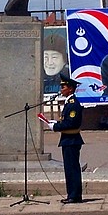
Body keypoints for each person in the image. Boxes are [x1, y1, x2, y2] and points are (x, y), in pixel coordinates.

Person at [47, 75, 85, 204]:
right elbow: (67, 121)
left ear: (70, 89)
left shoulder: (73, 103)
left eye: (63, 87)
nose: (61, 89)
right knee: (69, 169)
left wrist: (56, 127)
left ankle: (74, 196)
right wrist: (56, 123)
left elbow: (72, 123)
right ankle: (72, 194)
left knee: (72, 169)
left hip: (72, 140)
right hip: (68, 140)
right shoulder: (69, 102)